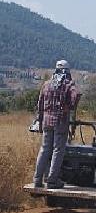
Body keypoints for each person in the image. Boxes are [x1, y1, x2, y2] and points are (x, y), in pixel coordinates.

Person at [33, 60, 78, 189]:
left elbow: (40, 104)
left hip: (46, 121)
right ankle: (52, 180)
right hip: (60, 121)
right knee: (58, 150)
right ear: (67, 71)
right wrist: (68, 107)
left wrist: (40, 120)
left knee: (44, 149)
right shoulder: (69, 84)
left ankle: (37, 179)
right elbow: (76, 95)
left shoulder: (46, 84)